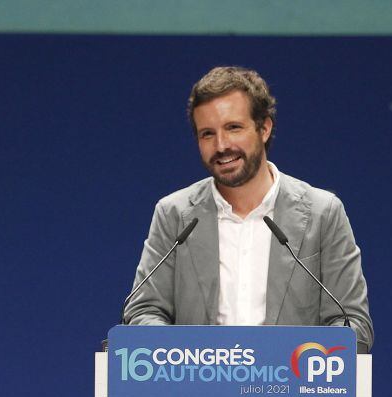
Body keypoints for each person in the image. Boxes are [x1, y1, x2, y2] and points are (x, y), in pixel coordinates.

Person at [123, 66, 373, 353]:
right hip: (198, 393)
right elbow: (142, 313)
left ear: (264, 128)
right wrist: (189, 355)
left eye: (233, 128)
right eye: (207, 134)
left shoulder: (322, 213)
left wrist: (289, 361)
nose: (221, 146)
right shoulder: (175, 215)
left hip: (292, 393)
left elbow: (353, 326)